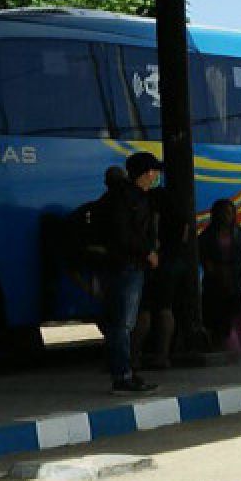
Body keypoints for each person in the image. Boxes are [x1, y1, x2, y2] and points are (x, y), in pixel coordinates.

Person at [99, 152, 162, 393]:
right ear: (147, 173)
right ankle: (123, 376)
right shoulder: (129, 198)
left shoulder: (120, 197)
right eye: (154, 171)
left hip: (121, 266)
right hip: (127, 266)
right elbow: (124, 234)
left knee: (121, 323)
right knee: (122, 324)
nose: (156, 176)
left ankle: (125, 371)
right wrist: (148, 252)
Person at [135, 182, 189, 368]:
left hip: (157, 263)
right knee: (166, 308)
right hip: (175, 262)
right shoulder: (180, 217)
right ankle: (163, 355)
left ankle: (134, 355)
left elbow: (154, 239)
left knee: (145, 310)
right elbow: (184, 239)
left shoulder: (155, 214)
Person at [198, 199, 241, 353]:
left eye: (229, 212)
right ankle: (222, 347)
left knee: (237, 314)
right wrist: (210, 267)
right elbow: (201, 254)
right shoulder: (207, 235)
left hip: (236, 279)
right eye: (222, 212)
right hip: (215, 280)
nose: (226, 216)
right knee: (217, 315)